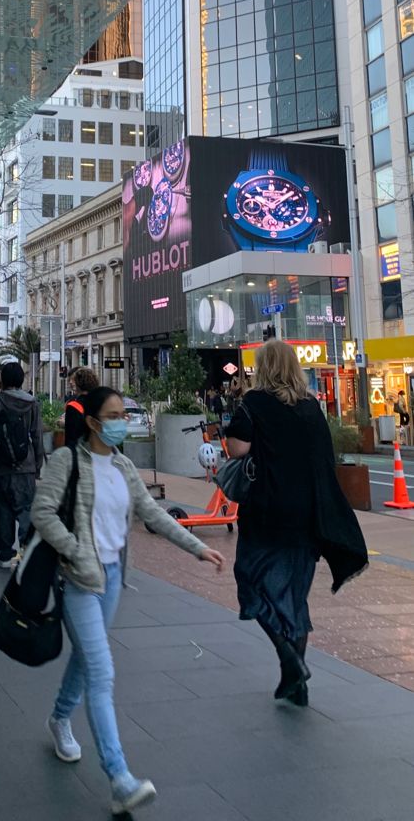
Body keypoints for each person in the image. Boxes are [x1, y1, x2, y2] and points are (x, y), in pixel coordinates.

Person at [32, 386, 224, 814]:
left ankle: (60, 718)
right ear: (95, 421)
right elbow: (42, 513)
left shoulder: (122, 464)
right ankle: (119, 778)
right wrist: (76, 550)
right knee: (101, 672)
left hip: (114, 578)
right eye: (115, 414)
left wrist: (195, 546)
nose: (123, 421)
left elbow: (152, 514)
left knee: (85, 660)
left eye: (125, 413)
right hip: (79, 580)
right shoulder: (67, 461)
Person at [226, 340, 368, 707]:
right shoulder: (311, 407)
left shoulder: (254, 403)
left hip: (267, 512)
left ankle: (290, 662)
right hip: (309, 516)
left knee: (252, 582)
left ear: (264, 367)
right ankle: (298, 684)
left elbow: (237, 450)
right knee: (295, 597)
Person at [0, 360, 43, 569]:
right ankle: (27, 547)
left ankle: (4, 555)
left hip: (1, 466)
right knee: (26, 509)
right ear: (21, 379)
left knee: (1, 512)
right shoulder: (32, 403)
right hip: (26, 467)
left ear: (3, 380)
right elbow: (37, 436)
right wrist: (37, 465)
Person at [63, 367, 99, 448]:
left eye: (73, 380)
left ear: (78, 384)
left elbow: (71, 436)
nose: (71, 383)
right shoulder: (100, 402)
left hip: (81, 449)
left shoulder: (74, 406)